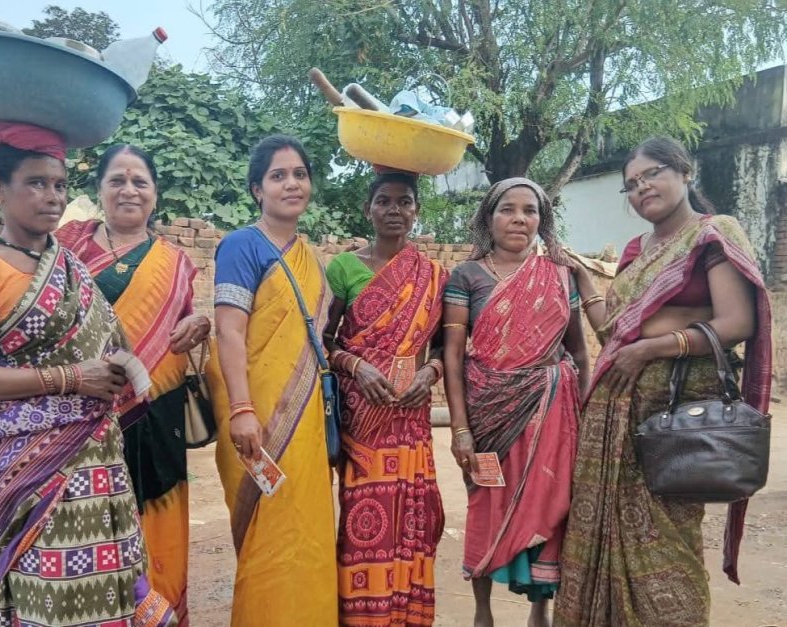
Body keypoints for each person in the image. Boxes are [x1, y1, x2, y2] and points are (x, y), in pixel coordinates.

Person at [0, 123, 176, 626]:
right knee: (52, 596)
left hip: (97, 461)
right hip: (31, 473)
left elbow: (112, 347)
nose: (53, 197)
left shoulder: (71, 268)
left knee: (110, 591)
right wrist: (71, 379)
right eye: (36, 183)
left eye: (60, 185)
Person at [554, 137, 772, 627]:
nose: (641, 188)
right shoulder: (637, 250)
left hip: (672, 421)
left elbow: (737, 322)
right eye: (631, 184)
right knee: (600, 533)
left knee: (669, 538)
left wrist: (654, 345)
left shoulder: (712, 234)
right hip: (613, 416)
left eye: (651, 174)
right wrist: (585, 281)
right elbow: (616, 331)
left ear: (684, 172)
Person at [56, 144, 209, 624]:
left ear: (155, 193)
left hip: (157, 417)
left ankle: (159, 611)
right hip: (80, 415)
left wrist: (200, 322)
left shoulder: (175, 263)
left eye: (140, 181)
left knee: (158, 522)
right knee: (85, 523)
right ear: (99, 189)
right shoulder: (64, 250)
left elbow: (185, 323)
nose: (129, 190)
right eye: (117, 180)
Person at [442, 178, 588, 627]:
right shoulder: (467, 276)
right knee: (485, 505)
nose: (519, 219)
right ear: (489, 218)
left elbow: (579, 352)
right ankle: (482, 612)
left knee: (551, 501)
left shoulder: (560, 276)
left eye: (530, 210)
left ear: (542, 221)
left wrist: (584, 415)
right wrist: (461, 429)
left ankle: (539, 610)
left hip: (550, 411)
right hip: (488, 413)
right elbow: (452, 355)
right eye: (507, 209)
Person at [204, 135, 338, 626]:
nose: (291, 184)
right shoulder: (242, 245)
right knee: (268, 535)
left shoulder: (310, 257)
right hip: (256, 415)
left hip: (307, 420)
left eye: (299, 174)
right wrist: (242, 410)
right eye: (278, 176)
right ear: (257, 189)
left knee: (306, 529)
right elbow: (229, 330)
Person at [323, 171, 448, 626]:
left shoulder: (434, 275)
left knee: (413, 517)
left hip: (410, 416)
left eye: (404, 202)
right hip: (364, 417)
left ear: (417, 211)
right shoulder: (343, 268)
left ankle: (406, 615)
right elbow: (322, 340)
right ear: (368, 209)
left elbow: (445, 347)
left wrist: (430, 373)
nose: (394, 210)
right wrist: (356, 366)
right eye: (384, 201)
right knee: (364, 518)